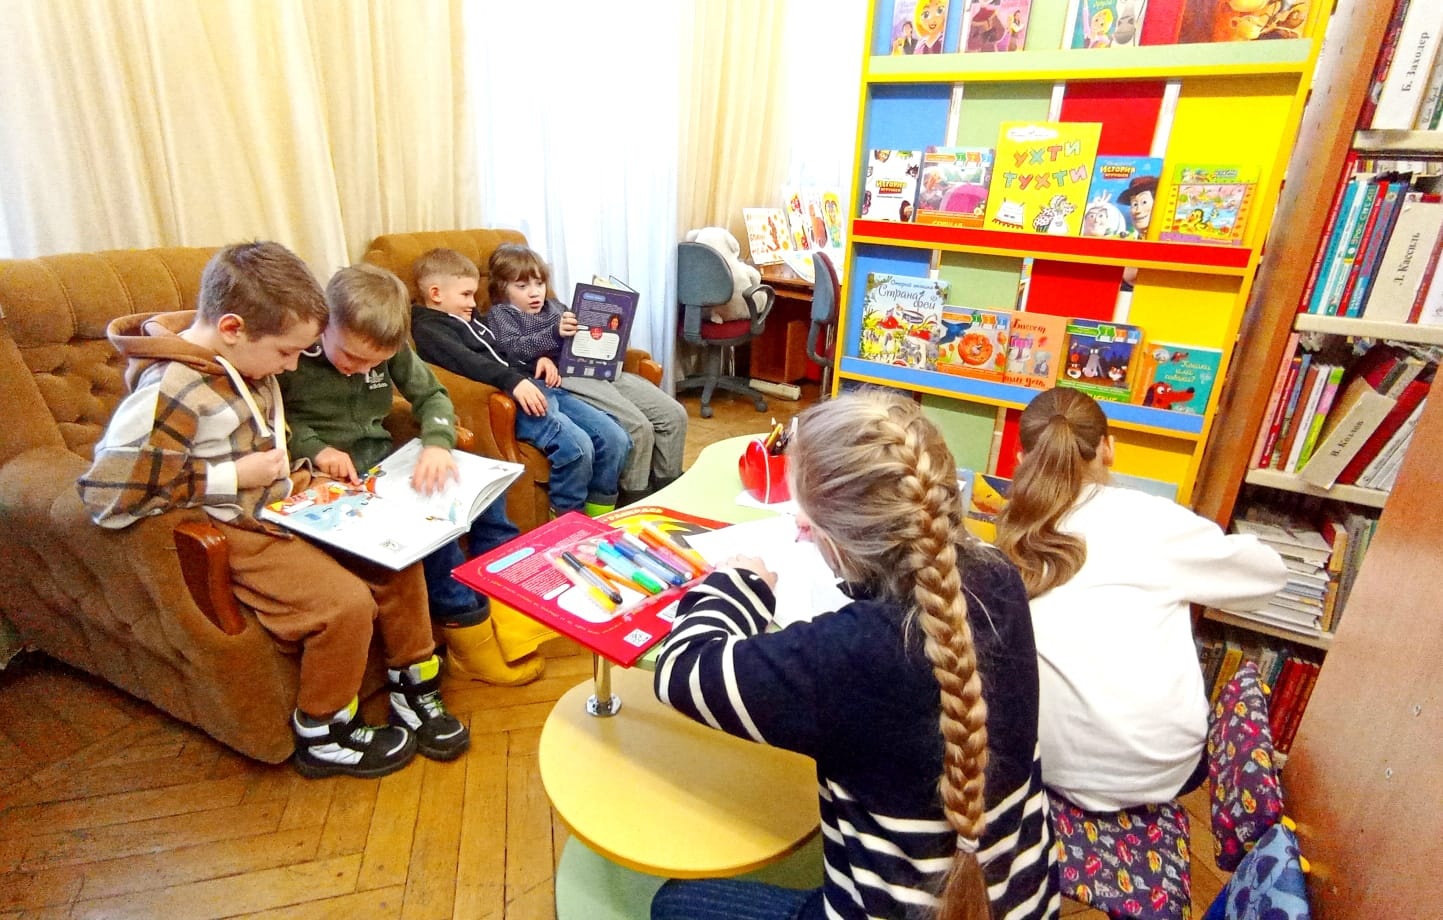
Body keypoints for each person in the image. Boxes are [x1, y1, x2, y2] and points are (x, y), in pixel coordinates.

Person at [650, 391, 1058, 920]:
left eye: (807, 521)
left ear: (839, 543)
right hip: (1026, 903)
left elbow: (682, 667)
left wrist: (740, 585)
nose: (800, 528)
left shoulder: (849, 653)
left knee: (675, 902)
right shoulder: (1000, 578)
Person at [77, 242, 469, 778]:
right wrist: (232, 476)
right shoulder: (172, 389)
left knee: (395, 556)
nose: (293, 365)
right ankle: (324, 733)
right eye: (287, 353)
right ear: (232, 328)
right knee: (345, 605)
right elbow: (103, 494)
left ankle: (413, 686)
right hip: (238, 521)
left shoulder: (243, 360)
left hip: (290, 498)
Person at [994, 387, 1287, 813]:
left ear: (1021, 460)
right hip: (1164, 770)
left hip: (1047, 766)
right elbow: (1270, 574)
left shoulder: (1010, 534)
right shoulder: (1153, 518)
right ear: (1108, 449)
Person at [278, 263, 545, 687]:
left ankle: (508, 610)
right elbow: (276, 423)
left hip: (385, 464)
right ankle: (469, 641)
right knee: (434, 535)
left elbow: (433, 395)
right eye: (351, 357)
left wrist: (437, 444)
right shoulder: (292, 355)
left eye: (375, 364)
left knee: (486, 497)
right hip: (337, 483)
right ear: (324, 325)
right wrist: (316, 449)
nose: (360, 370)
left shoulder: (391, 347)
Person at [409, 247, 628, 517]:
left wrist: (536, 362)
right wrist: (513, 382)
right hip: (511, 396)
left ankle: (600, 517)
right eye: (466, 295)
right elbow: (470, 363)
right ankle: (567, 521)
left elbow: (505, 350)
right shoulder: (430, 329)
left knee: (615, 438)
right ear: (436, 294)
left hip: (535, 383)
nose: (474, 303)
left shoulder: (471, 318)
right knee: (578, 447)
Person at [486, 244, 688, 506]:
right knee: (639, 426)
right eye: (522, 286)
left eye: (539, 283)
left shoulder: (555, 306)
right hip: (569, 376)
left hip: (601, 367)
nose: (534, 292)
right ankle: (637, 501)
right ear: (502, 289)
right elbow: (512, 348)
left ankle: (669, 494)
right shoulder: (501, 314)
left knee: (674, 415)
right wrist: (551, 340)